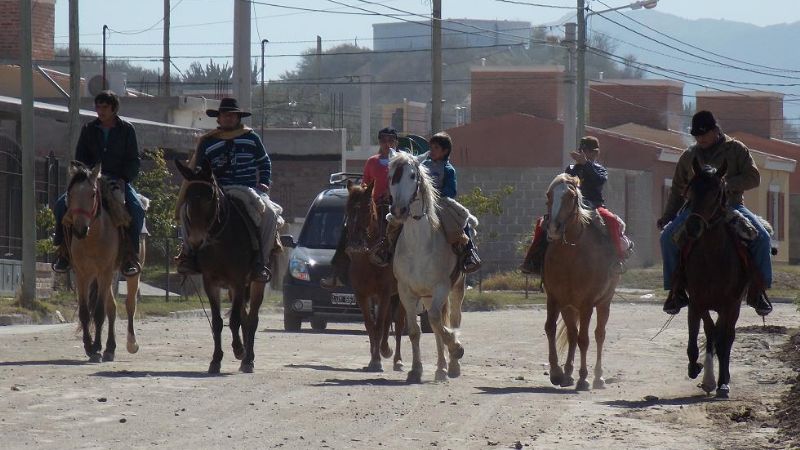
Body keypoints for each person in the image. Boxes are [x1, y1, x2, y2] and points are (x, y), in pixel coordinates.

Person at [659, 110, 772, 316]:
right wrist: (668, 216)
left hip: (731, 206)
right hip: (696, 210)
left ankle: (759, 291)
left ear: (715, 131)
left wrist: (726, 185)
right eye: (696, 135)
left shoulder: (736, 150)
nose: (700, 139)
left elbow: (754, 178)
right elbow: (677, 190)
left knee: (762, 238)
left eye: (704, 134)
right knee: (667, 237)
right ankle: (675, 291)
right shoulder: (689, 156)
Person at [174, 97, 275, 283]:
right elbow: (198, 167)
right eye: (224, 115)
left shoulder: (251, 138)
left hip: (247, 188)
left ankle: (261, 260)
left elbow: (264, 162)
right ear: (218, 118)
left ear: (238, 118)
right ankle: (188, 255)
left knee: (269, 214)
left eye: (232, 115)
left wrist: (265, 182)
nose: (228, 118)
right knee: (183, 211)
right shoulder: (207, 141)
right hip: (216, 190)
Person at [51, 90, 145, 277]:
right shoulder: (88, 129)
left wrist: (123, 178)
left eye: (105, 107)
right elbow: (80, 159)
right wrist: (87, 176)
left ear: (114, 109)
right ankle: (63, 252)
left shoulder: (127, 130)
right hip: (90, 180)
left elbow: (134, 160)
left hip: (118, 180)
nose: (100, 111)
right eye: (98, 107)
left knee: (136, 209)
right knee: (61, 205)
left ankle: (129, 256)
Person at [369, 131, 482, 273]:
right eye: (431, 147)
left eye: (436, 148)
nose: (432, 151)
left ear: (445, 151)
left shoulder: (448, 170)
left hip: (441, 202)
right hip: (418, 201)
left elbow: (451, 191)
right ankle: (386, 247)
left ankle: (469, 252)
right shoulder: (421, 164)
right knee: (394, 219)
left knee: (459, 219)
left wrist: (435, 196)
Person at [519, 136, 632, 276]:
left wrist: (586, 164)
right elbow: (565, 185)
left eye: (589, 151)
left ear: (596, 153)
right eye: (583, 150)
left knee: (612, 221)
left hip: (594, 206)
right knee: (542, 223)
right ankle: (532, 260)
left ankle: (617, 260)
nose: (586, 154)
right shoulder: (571, 169)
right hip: (572, 206)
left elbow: (599, 181)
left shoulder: (600, 169)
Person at [320, 127, 398, 289]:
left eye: (391, 140)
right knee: (348, 226)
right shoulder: (372, 161)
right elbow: (365, 182)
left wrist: (390, 192)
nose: (387, 144)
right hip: (372, 206)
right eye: (383, 140)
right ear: (379, 142)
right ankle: (337, 273)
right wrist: (362, 192)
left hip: (395, 206)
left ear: (396, 142)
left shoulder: (401, 161)